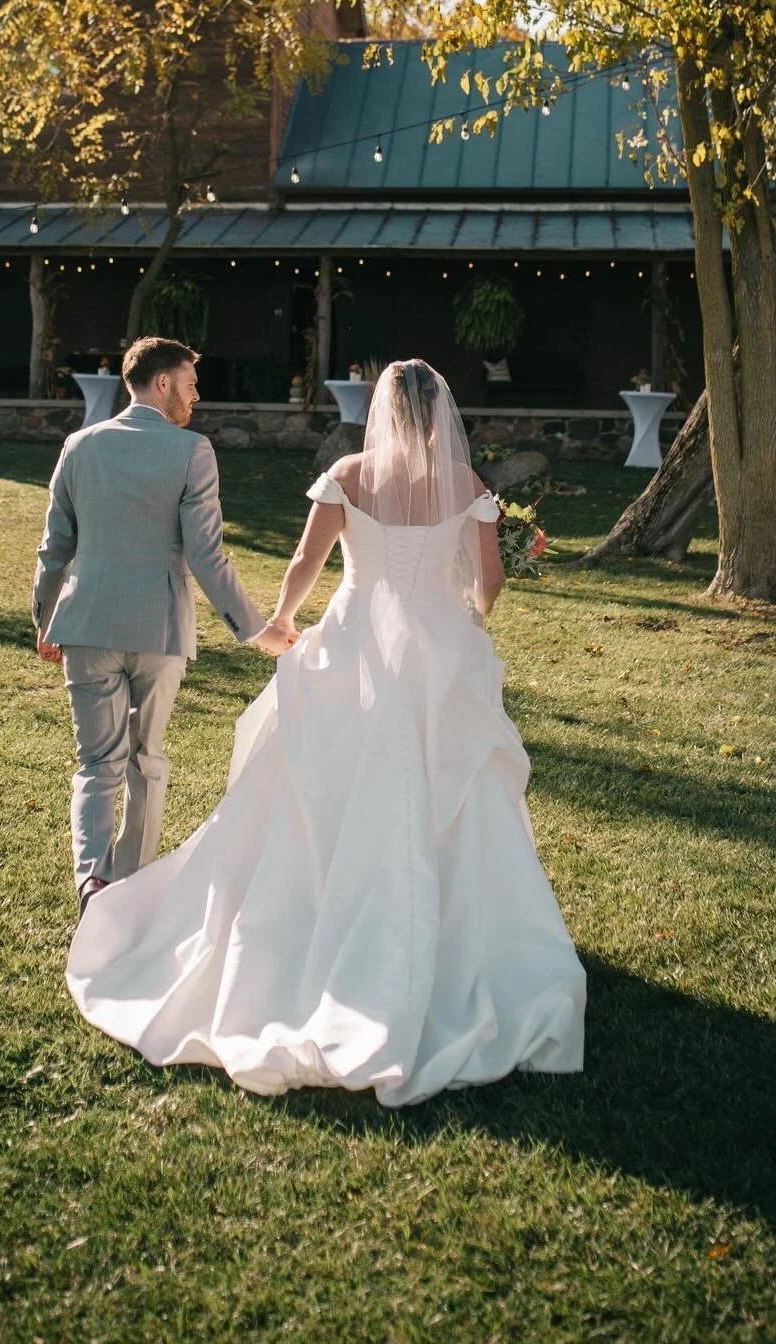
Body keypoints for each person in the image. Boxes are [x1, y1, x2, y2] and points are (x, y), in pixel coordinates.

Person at [66, 358, 586, 1105]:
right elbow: (490, 582)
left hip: (353, 643)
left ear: (381, 409)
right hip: (438, 648)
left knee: (319, 782)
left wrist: (281, 621)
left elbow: (308, 562)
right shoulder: (468, 489)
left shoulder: (348, 472)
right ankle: (451, 939)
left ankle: (312, 920)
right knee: (452, 783)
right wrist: (463, 618)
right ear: (437, 414)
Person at [33, 336, 295, 919]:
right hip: (158, 631)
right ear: (161, 384)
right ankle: (132, 887)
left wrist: (45, 620)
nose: (196, 397)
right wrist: (254, 630)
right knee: (146, 759)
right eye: (190, 384)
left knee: (97, 762)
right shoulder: (192, 451)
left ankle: (92, 884)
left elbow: (55, 548)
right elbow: (206, 555)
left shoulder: (79, 445)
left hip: (86, 626)